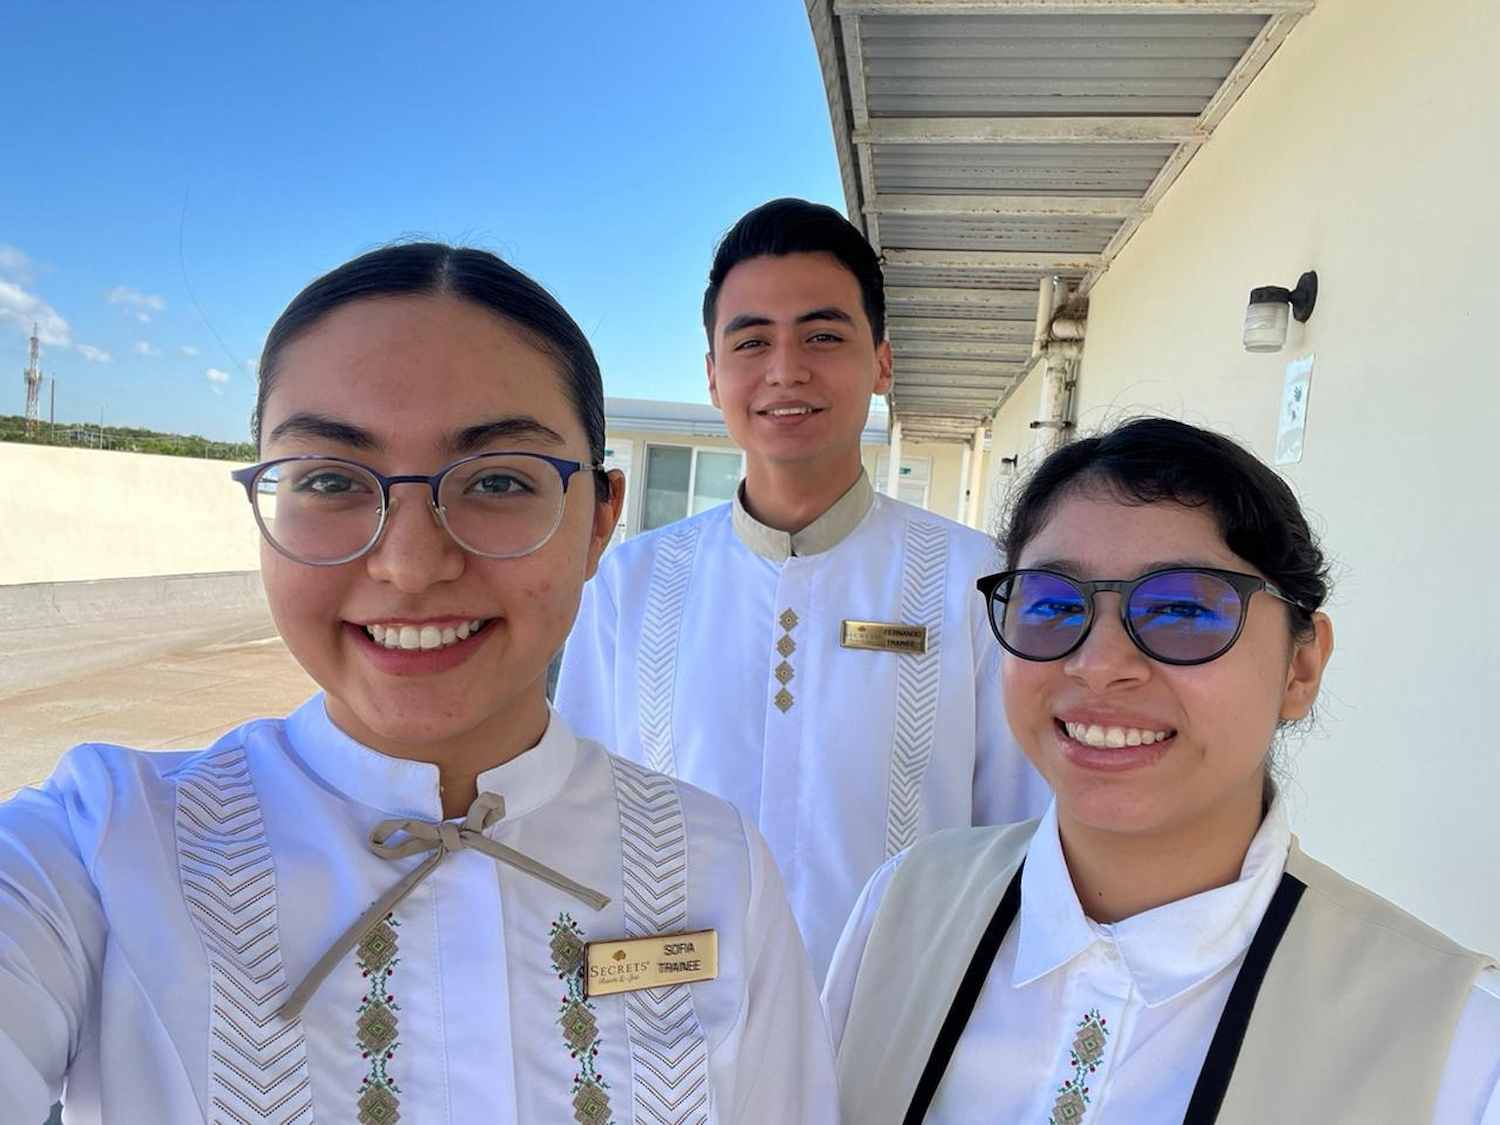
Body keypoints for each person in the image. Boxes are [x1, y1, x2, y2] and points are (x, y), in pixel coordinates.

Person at [0, 243, 838, 1123]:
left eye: (498, 480)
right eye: (331, 479)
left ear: (600, 520)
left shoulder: (718, 868)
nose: (408, 564)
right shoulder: (99, 853)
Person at [824, 418, 1499, 1123]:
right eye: (1052, 603)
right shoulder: (904, 909)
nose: (1099, 665)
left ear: (1300, 667)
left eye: (1181, 608)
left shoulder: (1459, 1048)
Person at [555, 198, 1048, 980]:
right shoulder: (630, 583)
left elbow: (1022, 834)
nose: (786, 369)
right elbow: (578, 817)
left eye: (823, 335)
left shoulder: (975, 583)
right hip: (679, 1024)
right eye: (752, 340)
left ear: (881, 362)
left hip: (897, 1018)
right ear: (713, 374)